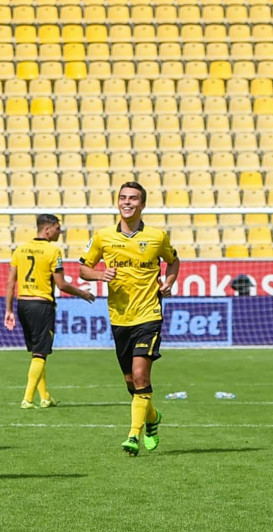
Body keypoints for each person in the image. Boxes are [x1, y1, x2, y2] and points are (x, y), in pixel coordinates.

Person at [79, 181, 180, 456]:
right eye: (123, 197)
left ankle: (133, 435)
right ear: (117, 202)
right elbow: (83, 269)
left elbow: (173, 261)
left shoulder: (157, 237)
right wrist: (100, 275)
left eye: (133, 198)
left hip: (149, 314)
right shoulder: (102, 237)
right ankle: (152, 417)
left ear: (142, 204)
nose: (127, 202)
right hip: (119, 317)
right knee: (130, 381)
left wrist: (169, 282)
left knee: (140, 375)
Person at [4, 213, 95, 408]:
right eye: (57, 228)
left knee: (37, 352)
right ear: (47, 229)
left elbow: (10, 282)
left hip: (23, 305)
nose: (60, 232)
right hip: (41, 305)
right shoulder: (53, 251)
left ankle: (45, 396)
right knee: (40, 353)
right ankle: (28, 399)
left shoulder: (20, 250)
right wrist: (82, 293)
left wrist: (8, 310)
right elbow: (61, 284)